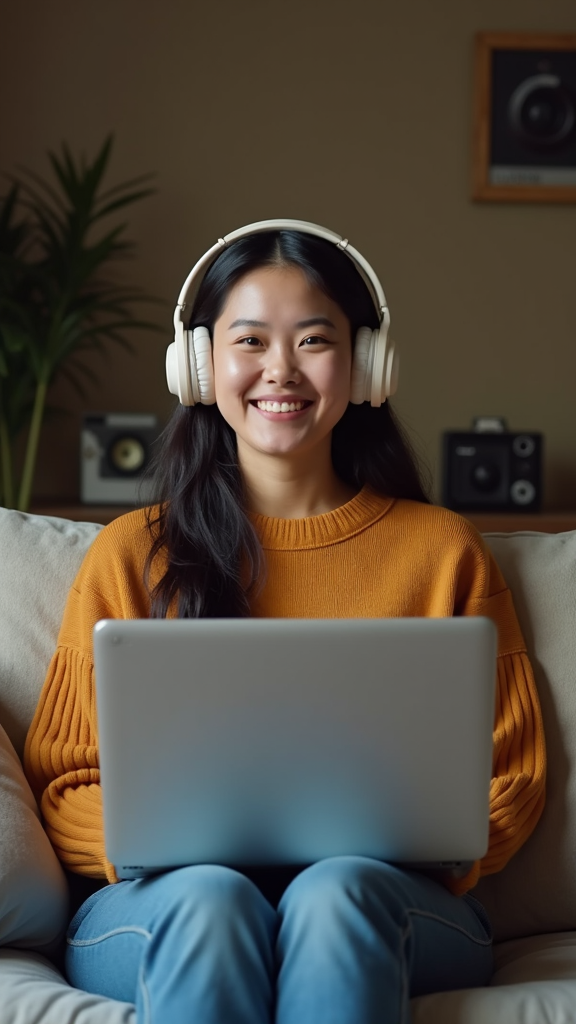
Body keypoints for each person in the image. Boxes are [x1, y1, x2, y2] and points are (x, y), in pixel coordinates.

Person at [24, 220, 546, 1024]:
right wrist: (193, 851)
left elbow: (511, 776)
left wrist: (398, 846)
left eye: (313, 340)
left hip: (385, 900)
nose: (281, 370)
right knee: (212, 900)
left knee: (334, 894)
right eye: (250, 340)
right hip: (166, 903)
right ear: (198, 365)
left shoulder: (443, 551)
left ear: (366, 363)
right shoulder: (132, 556)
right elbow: (66, 781)